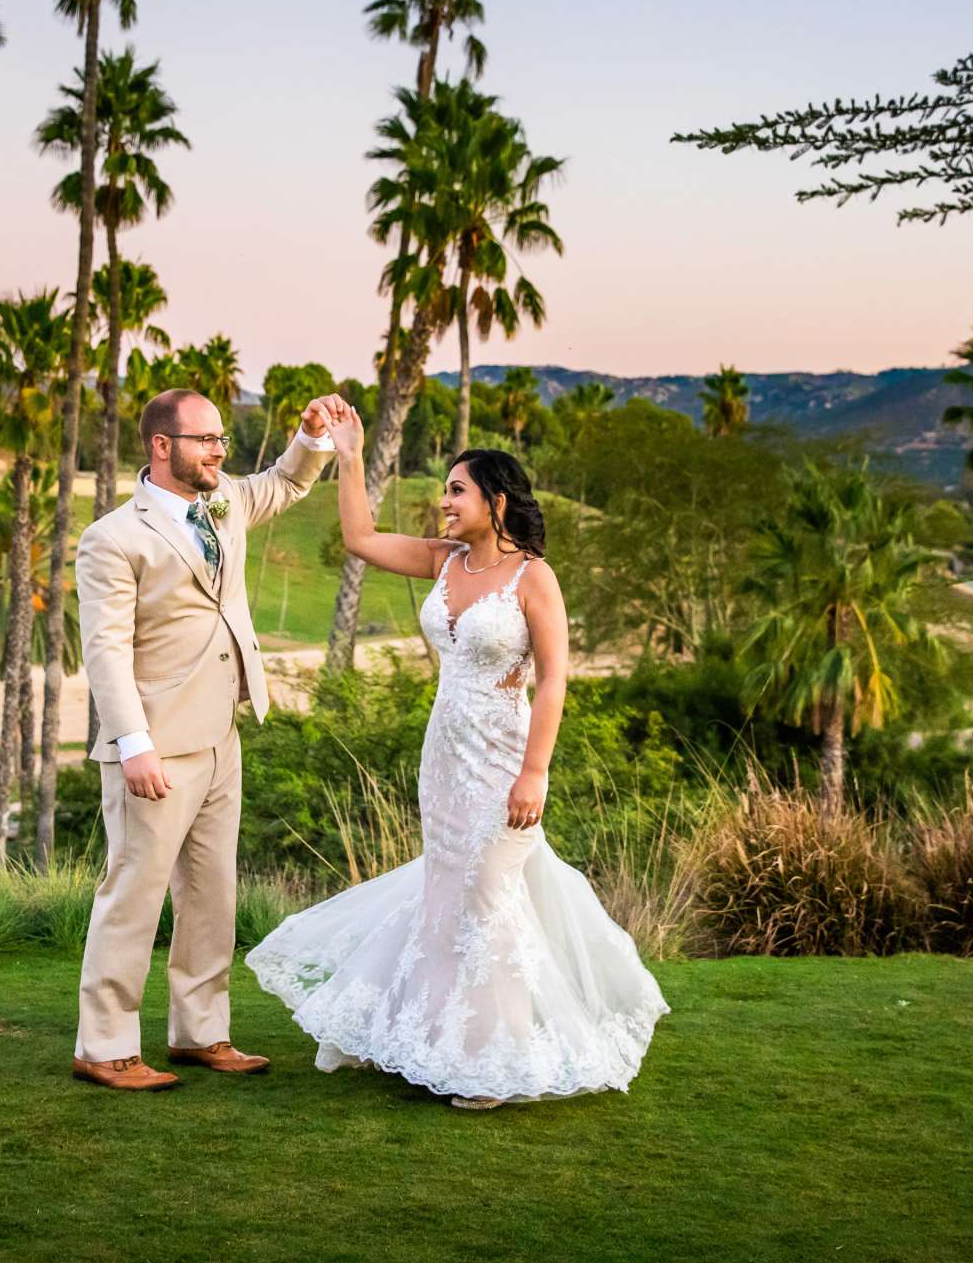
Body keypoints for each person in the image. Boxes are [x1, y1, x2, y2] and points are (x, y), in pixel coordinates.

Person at [246, 402, 668, 1109]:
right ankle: (434, 1039)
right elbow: (358, 537)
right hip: (443, 755)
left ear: (496, 501)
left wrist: (535, 772)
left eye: (456, 490)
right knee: (448, 894)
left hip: (504, 759)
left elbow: (556, 680)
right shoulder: (443, 562)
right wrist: (349, 455)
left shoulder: (535, 578)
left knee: (487, 894)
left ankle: (492, 1061)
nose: (443, 502)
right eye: (444, 490)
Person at [70, 386, 344, 1091]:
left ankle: (200, 1033)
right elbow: (104, 649)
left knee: (211, 893)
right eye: (205, 440)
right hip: (155, 745)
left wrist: (310, 436)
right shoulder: (112, 538)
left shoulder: (222, 501)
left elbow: (283, 483)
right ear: (162, 447)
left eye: (221, 439)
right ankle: (104, 1047)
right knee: (134, 892)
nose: (220, 451)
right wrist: (132, 744)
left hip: (223, 735)